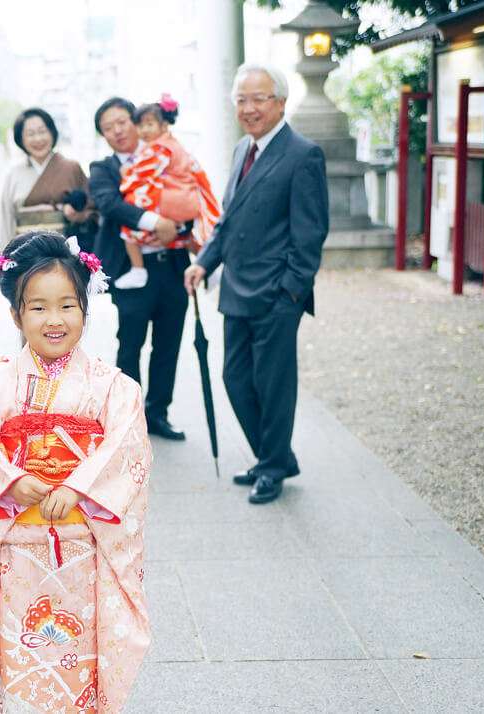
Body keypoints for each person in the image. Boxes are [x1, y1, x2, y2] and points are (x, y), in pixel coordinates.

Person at [0, 232, 152, 713]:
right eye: (38, 307)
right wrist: (11, 480)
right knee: (22, 658)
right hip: (17, 550)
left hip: (82, 550)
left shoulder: (113, 387)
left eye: (67, 305)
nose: (54, 319)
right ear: (16, 315)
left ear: (86, 308)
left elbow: (128, 449)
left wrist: (79, 487)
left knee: (79, 661)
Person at [185, 62, 329, 505]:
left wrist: (291, 292)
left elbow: (310, 235)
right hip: (236, 290)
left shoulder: (303, 154)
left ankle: (271, 466)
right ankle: (276, 457)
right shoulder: (240, 152)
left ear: (280, 102)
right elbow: (227, 222)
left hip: (276, 295)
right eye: (241, 100)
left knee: (273, 384)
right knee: (235, 378)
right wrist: (204, 264)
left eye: (258, 99)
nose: (248, 108)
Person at [89, 96, 187, 441]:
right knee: (130, 344)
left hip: (172, 268)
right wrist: (153, 220)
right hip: (132, 272)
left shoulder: (165, 157)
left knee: (168, 344)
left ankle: (158, 413)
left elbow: (187, 194)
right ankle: (129, 418)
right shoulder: (102, 169)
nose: (117, 131)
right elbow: (109, 204)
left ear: (136, 122)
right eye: (108, 128)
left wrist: (182, 229)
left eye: (121, 122)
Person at [114, 94, 220, 290]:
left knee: (128, 221)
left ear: (164, 126)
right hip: (185, 199)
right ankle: (208, 266)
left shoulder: (158, 149)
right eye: (140, 125)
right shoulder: (175, 144)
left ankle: (138, 270)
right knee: (185, 237)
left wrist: (126, 175)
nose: (144, 130)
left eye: (150, 124)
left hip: (172, 200)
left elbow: (142, 172)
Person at [0, 107, 97, 254]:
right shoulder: (14, 174)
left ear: (52, 133)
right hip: (25, 254)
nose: (38, 139)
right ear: (20, 138)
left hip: (64, 253)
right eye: (30, 134)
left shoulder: (71, 167)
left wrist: (76, 215)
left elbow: (92, 210)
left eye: (42, 131)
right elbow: (6, 217)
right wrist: (3, 258)